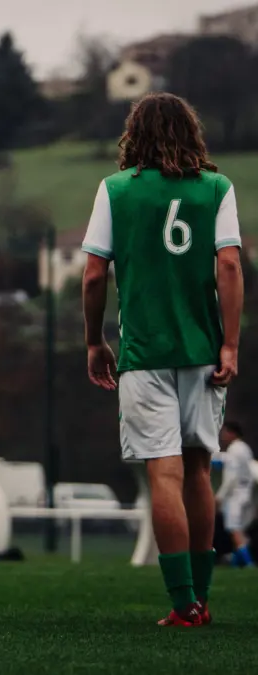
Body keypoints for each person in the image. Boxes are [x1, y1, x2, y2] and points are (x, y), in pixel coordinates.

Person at [81, 92, 243, 627]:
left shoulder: (115, 190)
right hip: (203, 351)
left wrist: (93, 340)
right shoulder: (217, 187)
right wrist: (230, 345)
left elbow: (93, 273)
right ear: (191, 132)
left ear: (135, 135)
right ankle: (204, 598)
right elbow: (230, 267)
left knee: (164, 475)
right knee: (199, 472)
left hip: (145, 353)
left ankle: (182, 605)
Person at [216, 422, 255, 567]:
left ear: (232, 433)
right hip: (246, 492)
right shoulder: (245, 448)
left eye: (225, 432)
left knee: (234, 529)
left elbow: (231, 477)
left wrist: (220, 496)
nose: (223, 436)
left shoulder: (234, 450)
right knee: (240, 530)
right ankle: (235, 562)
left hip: (236, 494)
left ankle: (248, 563)